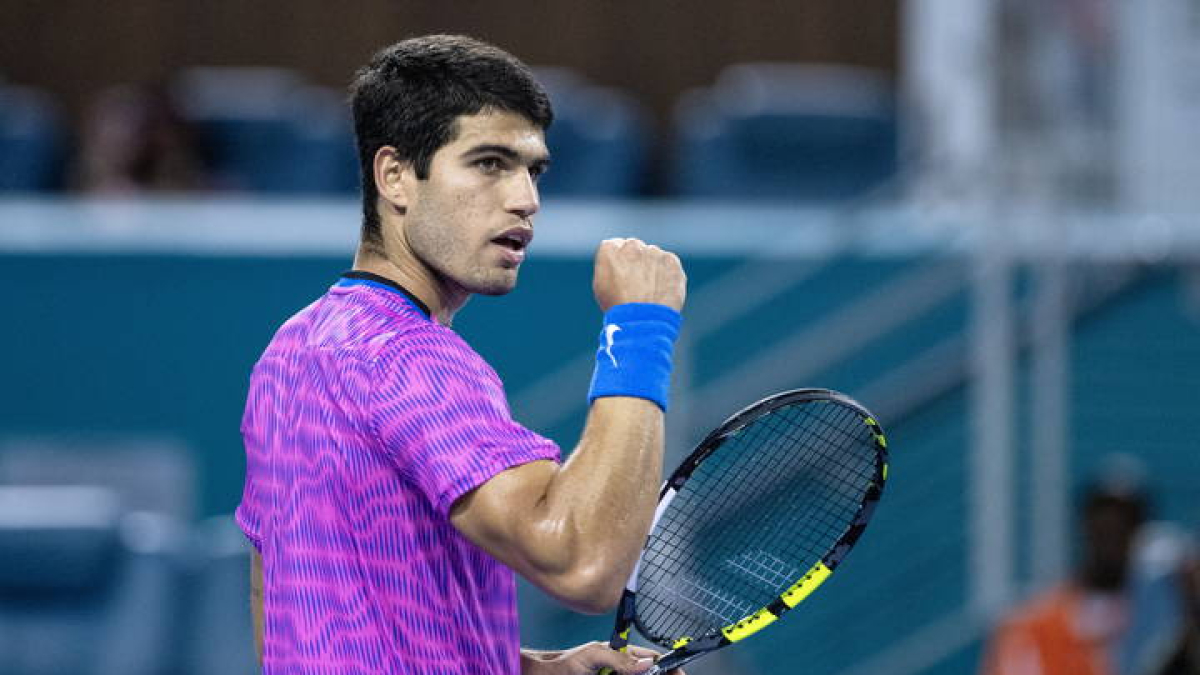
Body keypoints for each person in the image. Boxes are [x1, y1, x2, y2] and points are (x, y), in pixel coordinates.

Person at [236, 35, 688, 675]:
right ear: (394, 175)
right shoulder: (408, 357)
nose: (525, 199)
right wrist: (641, 325)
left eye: (534, 170)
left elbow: (286, 608)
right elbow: (584, 564)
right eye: (489, 163)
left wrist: (529, 670)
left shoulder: (291, 350)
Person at [979, 477, 1149, 675]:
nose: (1112, 533)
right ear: (1084, 527)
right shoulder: (1033, 623)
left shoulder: (1162, 618)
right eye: (1102, 527)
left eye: (1123, 526)